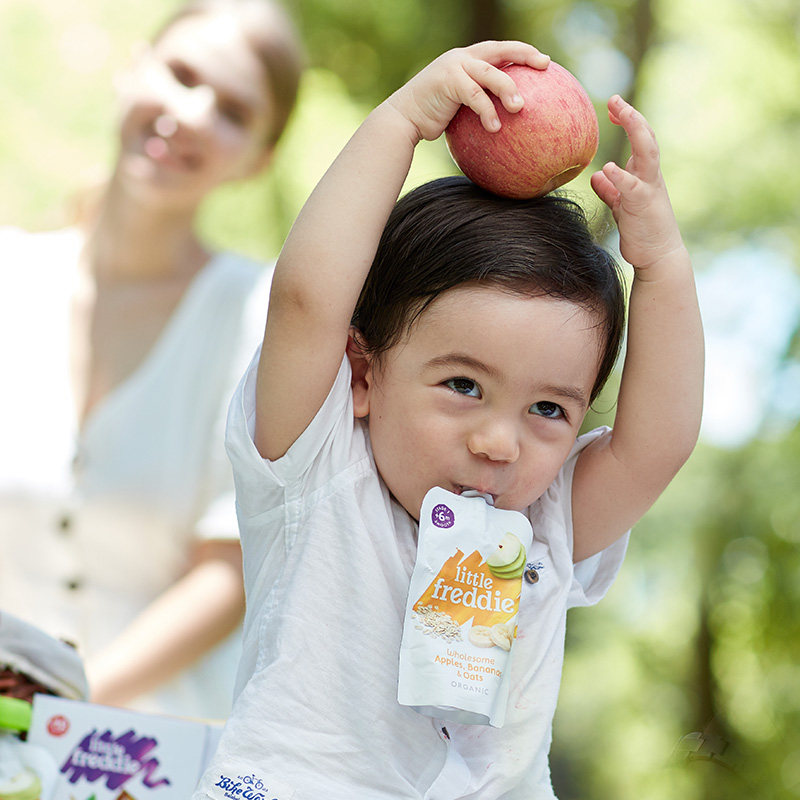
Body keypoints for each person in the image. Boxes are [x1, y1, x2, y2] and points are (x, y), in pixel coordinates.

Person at [194, 40, 703, 798]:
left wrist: (661, 265)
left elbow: (658, 444)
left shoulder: (546, 521)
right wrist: (401, 122)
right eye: (464, 385)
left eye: (548, 408)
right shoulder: (316, 469)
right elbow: (305, 302)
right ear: (363, 374)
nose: (499, 443)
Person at [0, 0, 303, 718]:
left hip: (147, 747)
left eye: (232, 111)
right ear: (132, 70)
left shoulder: (259, 317)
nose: (192, 114)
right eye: (181, 75)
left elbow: (229, 570)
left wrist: (58, 708)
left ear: (259, 159)